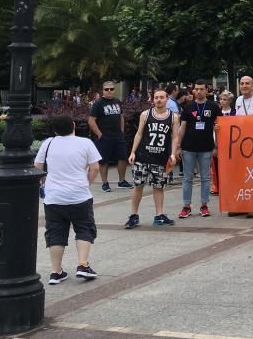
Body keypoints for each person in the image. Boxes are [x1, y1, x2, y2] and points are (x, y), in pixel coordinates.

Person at [35, 116, 101, 284]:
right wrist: (87, 182)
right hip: (79, 195)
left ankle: (56, 272)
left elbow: (38, 166)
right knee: (84, 228)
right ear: (73, 126)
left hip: (54, 197)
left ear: (55, 130)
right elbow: (94, 168)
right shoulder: (85, 143)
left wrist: (44, 181)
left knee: (55, 232)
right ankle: (83, 265)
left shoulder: (48, 143)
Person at [124, 89, 180, 229]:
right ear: (153, 100)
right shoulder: (146, 114)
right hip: (143, 156)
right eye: (156, 98)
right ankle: (133, 215)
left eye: (161, 97)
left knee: (158, 186)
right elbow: (139, 134)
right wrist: (133, 152)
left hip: (160, 157)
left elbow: (175, 137)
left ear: (167, 99)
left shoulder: (173, 117)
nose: (159, 100)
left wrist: (173, 153)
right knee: (138, 185)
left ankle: (159, 215)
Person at [178, 79, 220, 219]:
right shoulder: (188, 107)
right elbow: (182, 127)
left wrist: (217, 146)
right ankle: (186, 206)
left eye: (202, 89)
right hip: (188, 147)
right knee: (187, 178)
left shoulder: (213, 107)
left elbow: (219, 127)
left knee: (205, 178)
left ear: (207, 90)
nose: (199, 91)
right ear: (194, 90)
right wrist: (178, 146)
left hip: (206, 147)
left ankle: (204, 205)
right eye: (197, 89)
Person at [87, 80, 131, 193]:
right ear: (103, 90)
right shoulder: (98, 103)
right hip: (104, 136)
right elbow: (91, 121)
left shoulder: (117, 101)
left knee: (122, 157)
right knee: (103, 160)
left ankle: (122, 181)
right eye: (107, 89)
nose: (109, 91)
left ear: (114, 90)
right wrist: (99, 134)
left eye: (111, 89)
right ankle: (105, 183)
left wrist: (121, 130)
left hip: (118, 135)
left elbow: (121, 116)